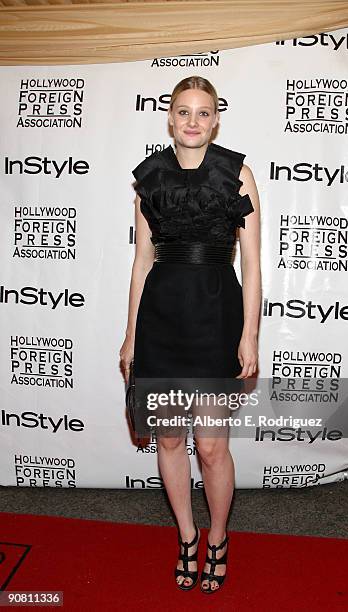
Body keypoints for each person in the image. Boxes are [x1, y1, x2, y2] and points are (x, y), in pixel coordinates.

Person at [120, 75, 261, 593]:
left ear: (216, 118)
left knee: (211, 447)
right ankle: (185, 535)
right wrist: (131, 337)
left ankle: (218, 537)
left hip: (215, 316)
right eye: (184, 111)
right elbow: (140, 263)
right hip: (161, 318)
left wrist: (249, 336)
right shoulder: (149, 179)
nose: (193, 121)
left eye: (204, 112)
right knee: (170, 439)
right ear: (170, 117)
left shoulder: (236, 173)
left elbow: (253, 264)